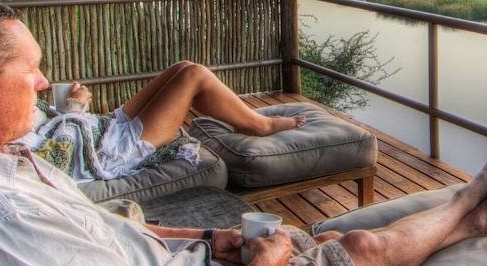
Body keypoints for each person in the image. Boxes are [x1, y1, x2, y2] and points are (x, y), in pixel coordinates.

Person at [0, 0, 487, 266]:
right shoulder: (0, 222)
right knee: (357, 247)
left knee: (323, 230)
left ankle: (466, 210)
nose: (42, 82)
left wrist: (209, 233)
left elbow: (105, 229)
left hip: (183, 254)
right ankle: (468, 208)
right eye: (29, 71)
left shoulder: (5, 163)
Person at [23, 58, 308, 180]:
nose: (41, 80)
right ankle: (261, 125)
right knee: (193, 75)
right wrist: (75, 107)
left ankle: (240, 118)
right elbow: (58, 161)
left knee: (182, 68)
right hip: (111, 151)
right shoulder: (4, 144)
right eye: (29, 69)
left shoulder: (0, 118)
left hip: (99, 129)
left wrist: (72, 112)